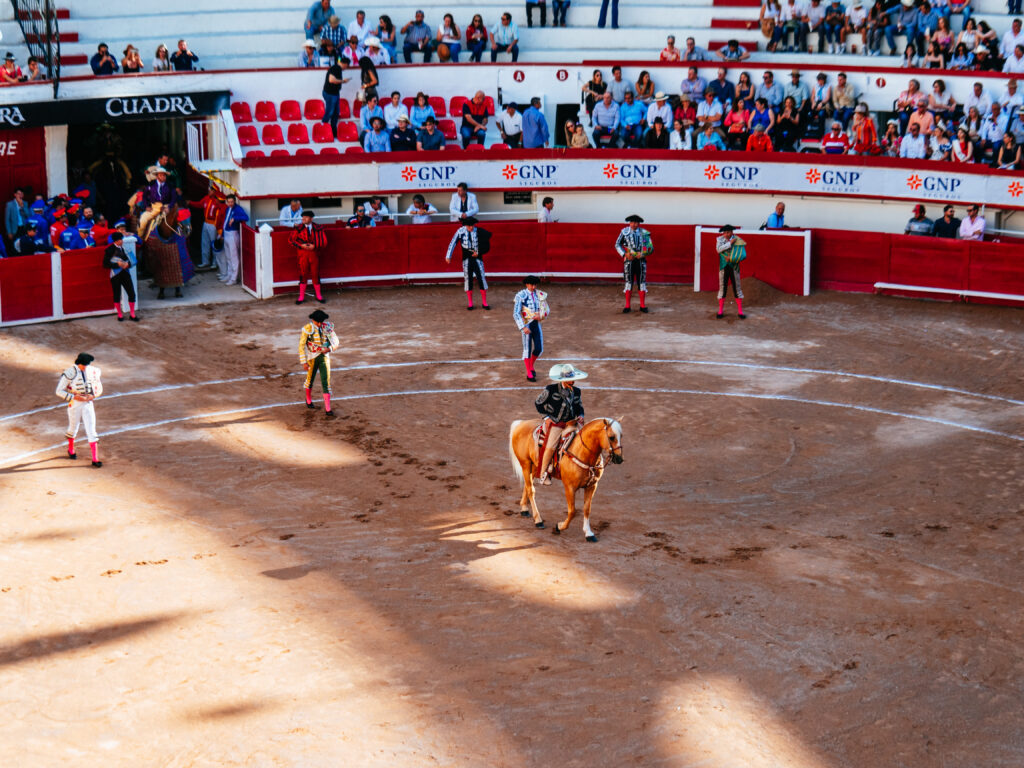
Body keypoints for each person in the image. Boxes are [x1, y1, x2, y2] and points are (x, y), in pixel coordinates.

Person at [535, 363, 587, 484]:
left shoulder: (577, 391)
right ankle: (544, 474)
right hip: (556, 423)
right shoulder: (550, 389)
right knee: (551, 446)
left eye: (573, 380)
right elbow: (538, 403)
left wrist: (581, 415)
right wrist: (546, 417)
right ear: (563, 380)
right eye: (570, 380)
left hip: (571, 423)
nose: (572, 382)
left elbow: (579, 407)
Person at [57, 353, 104, 467]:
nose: (85, 367)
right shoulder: (70, 373)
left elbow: (99, 387)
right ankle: (71, 450)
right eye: (83, 365)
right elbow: (59, 391)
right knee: (73, 428)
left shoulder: (93, 371)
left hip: (88, 403)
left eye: (87, 365)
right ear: (79, 363)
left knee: (91, 430)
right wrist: (74, 397)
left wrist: (93, 396)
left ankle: (95, 459)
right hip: (75, 403)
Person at [299, 309, 340, 417]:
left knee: (326, 381)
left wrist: (330, 348)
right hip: (312, 358)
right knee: (310, 379)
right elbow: (301, 346)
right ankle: (308, 400)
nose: (320, 324)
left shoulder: (326, 326)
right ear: (313, 320)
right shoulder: (307, 329)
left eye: (321, 321)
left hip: (324, 357)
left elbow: (336, 341)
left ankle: (328, 408)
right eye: (318, 322)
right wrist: (304, 362)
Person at [445, 215, 489, 310]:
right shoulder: (460, 231)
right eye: (469, 226)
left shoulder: (479, 231)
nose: (471, 227)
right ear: (465, 225)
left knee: (481, 277)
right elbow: (453, 243)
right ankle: (470, 303)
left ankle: (484, 302)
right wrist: (448, 255)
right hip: (466, 258)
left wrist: (479, 252)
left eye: (472, 225)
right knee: (468, 279)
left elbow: (486, 242)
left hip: (477, 257)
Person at [514, 275, 550, 381]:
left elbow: (547, 309)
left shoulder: (539, 295)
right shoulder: (521, 295)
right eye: (531, 285)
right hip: (527, 324)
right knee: (527, 349)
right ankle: (529, 371)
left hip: (536, 324)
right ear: (527, 284)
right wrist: (522, 327)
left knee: (539, 348)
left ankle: (531, 366)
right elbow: (516, 313)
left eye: (535, 284)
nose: (534, 287)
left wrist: (542, 315)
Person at [616, 214, 653, 314]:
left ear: (639, 223)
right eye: (632, 222)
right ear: (629, 223)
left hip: (641, 260)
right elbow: (617, 244)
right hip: (629, 260)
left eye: (636, 223)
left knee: (641, 282)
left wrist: (643, 253)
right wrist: (624, 254)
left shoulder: (644, 233)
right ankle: (627, 305)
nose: (634, 224)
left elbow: (650, 247)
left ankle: (642, 305)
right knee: (629, 282)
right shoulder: (624, 232)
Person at [290, 210, 328, 304]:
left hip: (314, 253)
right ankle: (301, 296)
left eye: (305, 217)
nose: (303, 219)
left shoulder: (318, 228)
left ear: (311, 218)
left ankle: (319, 295)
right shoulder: (298, 228)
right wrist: (301, 246)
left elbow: (324, 241)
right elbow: (291, 240)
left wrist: (315, 246)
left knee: (315, 274)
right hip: (302, 253)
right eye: (303, 217)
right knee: (303, 274)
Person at [188, 183, 225, 272]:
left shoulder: (217, 201)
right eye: (209, 189)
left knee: (214, 244)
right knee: (204, 242)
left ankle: (215, 263)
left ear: (215, 192)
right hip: (205, 222)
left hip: (213, 225)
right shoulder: (206, 198)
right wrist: (190, 203)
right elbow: (200, 204)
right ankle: (205, 261)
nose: (209, 191)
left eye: (211, 190)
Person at [104, 231, 139, 321]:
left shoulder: (125, 249)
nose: (122, 241)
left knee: (131, 293)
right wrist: (117, 264)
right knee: (117, 294)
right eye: (120, 240)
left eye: (121, 239)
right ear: (115, 241)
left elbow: (133, 260)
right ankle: (120, 314)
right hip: (115, 275)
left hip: (125, 273)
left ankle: (132, 314)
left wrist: (128, 265)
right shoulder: (109, 250)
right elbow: (105, 264)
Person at [715, 224, 746, 320]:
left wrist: (732, 258)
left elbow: (742, 254)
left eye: (729, 232)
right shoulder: (720, 239)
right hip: (724, 266)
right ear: (723, 233)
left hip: (734, 266)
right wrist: (730, 243)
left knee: (737, 287)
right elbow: (718, 250)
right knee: (722, 287)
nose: (727, 234)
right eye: (725, 232)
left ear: (732, 232)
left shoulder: (738, 240)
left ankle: (740, 311)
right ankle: (720, 310)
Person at [218, 194, 248, 284]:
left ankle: (234, 278)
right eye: (229, 202)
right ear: (226, 201)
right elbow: (225, 222)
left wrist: (235, 218)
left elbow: (246, 217)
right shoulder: (228, 209)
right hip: (227, 233)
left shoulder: (238, 209)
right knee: (228, 256)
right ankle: (229, 275)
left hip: (233, 234)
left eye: (232, 202)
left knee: (233, 257)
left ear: (234, 201)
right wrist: (222, 234)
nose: (230, 203)